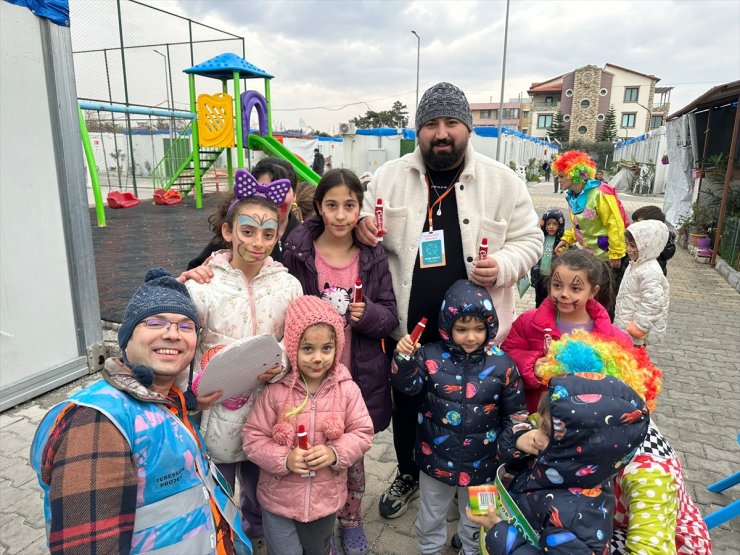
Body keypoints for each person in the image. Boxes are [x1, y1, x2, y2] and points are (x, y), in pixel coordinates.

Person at [354, 81, 543, 519]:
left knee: (475, 409)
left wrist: (504, 264)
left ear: (468, 128)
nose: (441, 133)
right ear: (418, 130)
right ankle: (407, 472)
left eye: (451, 123)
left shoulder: (502, 181)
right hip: (409, 328)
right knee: (408, 403)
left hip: (475, 335)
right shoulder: (389, 177)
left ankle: (473, 483)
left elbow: (530, 239)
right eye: (431, 124)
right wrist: (364, 223)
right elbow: (365, 217)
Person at [30, 268, 251, 554]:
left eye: (185, 326)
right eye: (155, 322)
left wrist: (193, 402)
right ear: (126, 338)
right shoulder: (98, 423)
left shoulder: (163, 400)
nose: (172, 334)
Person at [282, 168, 398, 555]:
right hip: (308, 375)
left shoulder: (371, 254)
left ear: (359, 209)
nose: (341, 215)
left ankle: (351, 520)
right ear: (318, 208)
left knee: (350, 455)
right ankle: (317, 524)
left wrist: (368, 316)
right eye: (331, 205)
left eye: (350, 205)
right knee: (314, 449)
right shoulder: (299, 252)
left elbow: (390, 314)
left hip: (356, 378)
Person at [183, 171, 304, 543]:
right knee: (217, 486)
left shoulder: (288, 284)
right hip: (216, 409)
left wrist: (281, 362)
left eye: (269, 233)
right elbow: (183, 348)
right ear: (228, 231)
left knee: (261, 487)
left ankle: (254, 537)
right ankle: (219, 539)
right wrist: (187, 397)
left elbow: (296, 339)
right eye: (248, 231)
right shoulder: (202, 285)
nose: (258, 242)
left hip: (268, 408)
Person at [469, 334, 651, 555]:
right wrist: (519, 439)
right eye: (540, 425)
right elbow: (509, 451)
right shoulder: (561, 461)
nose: (536, 434)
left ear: (580, 448)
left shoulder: (577, 517)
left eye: (546, 431)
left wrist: (497, 530)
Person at [533, 332, 710, 554]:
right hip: (604, 518)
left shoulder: (649, 471)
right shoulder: (599, 429)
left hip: (667, 543)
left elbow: (651, 548)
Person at [391, 279, 527, 555]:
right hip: (435, 458)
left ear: (490, 326)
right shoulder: (430, 356)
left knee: (478, 518)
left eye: (479, 328)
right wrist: (404, 359)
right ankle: (429, 549)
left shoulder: (502, 363)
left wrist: (510, 450)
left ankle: (471, 549)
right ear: (447, 326)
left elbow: (516, 413)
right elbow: (407, 387)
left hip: (486, 463)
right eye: (462, 329)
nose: (471, 337)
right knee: (431, 514)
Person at [242, 296, 373, 555]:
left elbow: (363, 432)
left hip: (325, 502)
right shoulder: (276, 391)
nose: (317, 358)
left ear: (338, 347)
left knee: (318, 549)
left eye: (326, 348)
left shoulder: (347, 390)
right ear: (292, 348)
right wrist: (284, 458)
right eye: (307, 349)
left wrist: (334, 453)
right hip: (277, 501)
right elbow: (252, 437)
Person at [503, 249, 632, 413]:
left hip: (586, 424)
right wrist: (531, 366)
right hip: (537, 420)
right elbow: (506, 358)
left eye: (575, 288)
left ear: (593, 291)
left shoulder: (615, 339)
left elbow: (624, 388)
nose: (564, 294)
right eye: (557, 286)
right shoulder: (528, 323)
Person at [187, 157, 301, 269]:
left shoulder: (305, 237)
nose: (272, 197)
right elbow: (195, 269)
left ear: (295, 195)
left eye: (280, 190)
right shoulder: (236, 232)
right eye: (264, 188)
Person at [553, 150, 629, 295]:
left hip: (606, 257)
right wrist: (567, 239)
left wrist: (616, 253)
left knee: (602, 296)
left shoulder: (600, 194)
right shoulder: (573, 196)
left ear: (574, 174)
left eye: (561, 176)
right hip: (589, 256)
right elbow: (580, 224)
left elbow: (615, 223)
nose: (558, 180)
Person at [614, 220, 670, 346]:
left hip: (634, 332)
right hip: (626, 324)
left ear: (648, 246)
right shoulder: (637, 264)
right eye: (627, 244)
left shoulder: (650, 271)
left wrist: (639, 327)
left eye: (633, 246)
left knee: (632, 361)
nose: (628, 249)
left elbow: (654, 303)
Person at [530, 208, 565, 307]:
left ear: (560, 225)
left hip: (554, 278)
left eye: (555, 224)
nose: (551, 227)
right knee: (539, 301)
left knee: (553, 302)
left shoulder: (562, 241)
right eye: (548, 224)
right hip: (540, 277)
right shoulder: (540, 239)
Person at [631, 205, 676, 276]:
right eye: (634, 222)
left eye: (639, 223)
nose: (634, 226)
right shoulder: (635, 239)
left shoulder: (655, 248)